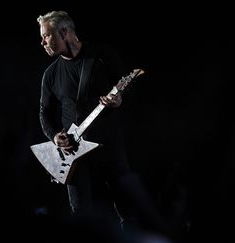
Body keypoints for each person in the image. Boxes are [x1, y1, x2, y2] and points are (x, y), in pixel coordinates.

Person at [36, 10, 168, 238]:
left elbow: (129, 89)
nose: (42, 42)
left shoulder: (102, 55)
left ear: (64, 32)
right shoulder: (51, 74)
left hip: (109, 145)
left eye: (46, 36)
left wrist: (119, 100)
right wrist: (55, 137)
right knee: (80, 214)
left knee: (127, 207)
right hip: (73, 153)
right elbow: (44, 113)